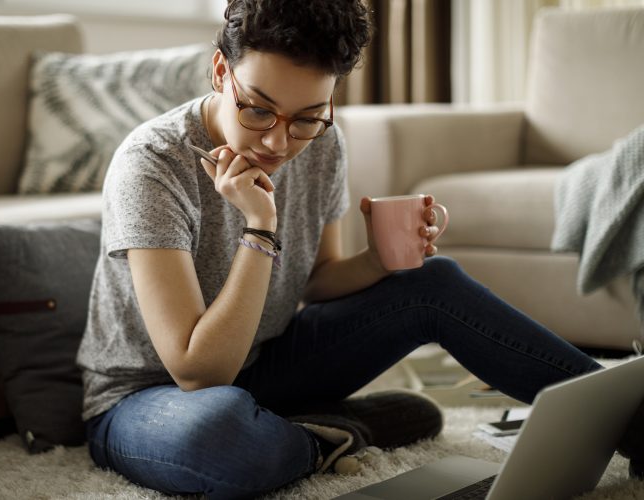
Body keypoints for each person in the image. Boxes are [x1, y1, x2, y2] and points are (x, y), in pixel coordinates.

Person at [77, 0, 643, 497]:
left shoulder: (323, 144)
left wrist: (378, 261)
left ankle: (636, 423)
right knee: (222, 436)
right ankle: (342, 431)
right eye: (258, 110)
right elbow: (199, 372)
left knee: (433, 283)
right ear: (222, 70)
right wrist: (260, 228)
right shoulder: (152, 164)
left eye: (307, 118)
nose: (279, 141)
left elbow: (317, 281)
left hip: (267, 363)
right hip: (148, 397)